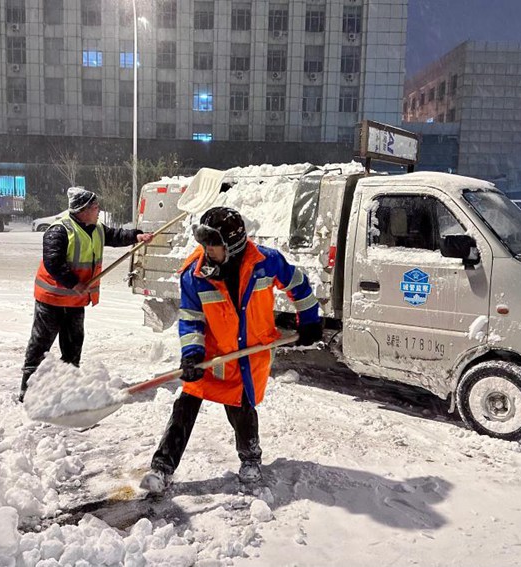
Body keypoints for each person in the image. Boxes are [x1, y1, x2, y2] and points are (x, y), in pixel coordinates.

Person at [140, 207, 322, 492]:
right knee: (185, 407)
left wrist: (310, 320)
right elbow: (191, 318)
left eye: (212, 245)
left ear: (232, 245)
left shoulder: (266, 262)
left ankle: (251, 459)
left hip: (248, 353)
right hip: (210, 355)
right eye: (204, 244)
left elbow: (297, 284)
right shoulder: (195, 273)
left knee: (242, 407)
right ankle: (162, 467)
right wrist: (191, 353)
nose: (206, 251)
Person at [18, 187, 153, 402]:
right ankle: (28, 391)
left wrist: (137, 235)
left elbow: (116, 235)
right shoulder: (59, 231)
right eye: (95, 207)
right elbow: (53, 263)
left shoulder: (96, 228)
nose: (99, 211)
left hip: (75, 301)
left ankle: (67, 388)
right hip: (51, 300)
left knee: (73, 346)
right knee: (41, 344)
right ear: (82, 210)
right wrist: (74, 283)